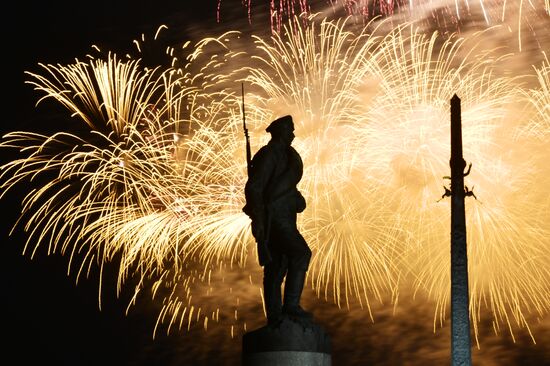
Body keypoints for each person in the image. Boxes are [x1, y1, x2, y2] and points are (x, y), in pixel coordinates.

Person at [243, 115, 312, 327]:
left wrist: (295, 197)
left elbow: (284, 186)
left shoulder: (285, 155)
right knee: (300, 253)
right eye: (289, 131)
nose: (292, 134)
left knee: (277, 267)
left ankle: (275, 316)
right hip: (274, 219)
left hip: (284, 217)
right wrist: (259, 218)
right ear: (280, 132)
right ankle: (290, 306)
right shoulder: (270, 154)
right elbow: (254, 187)